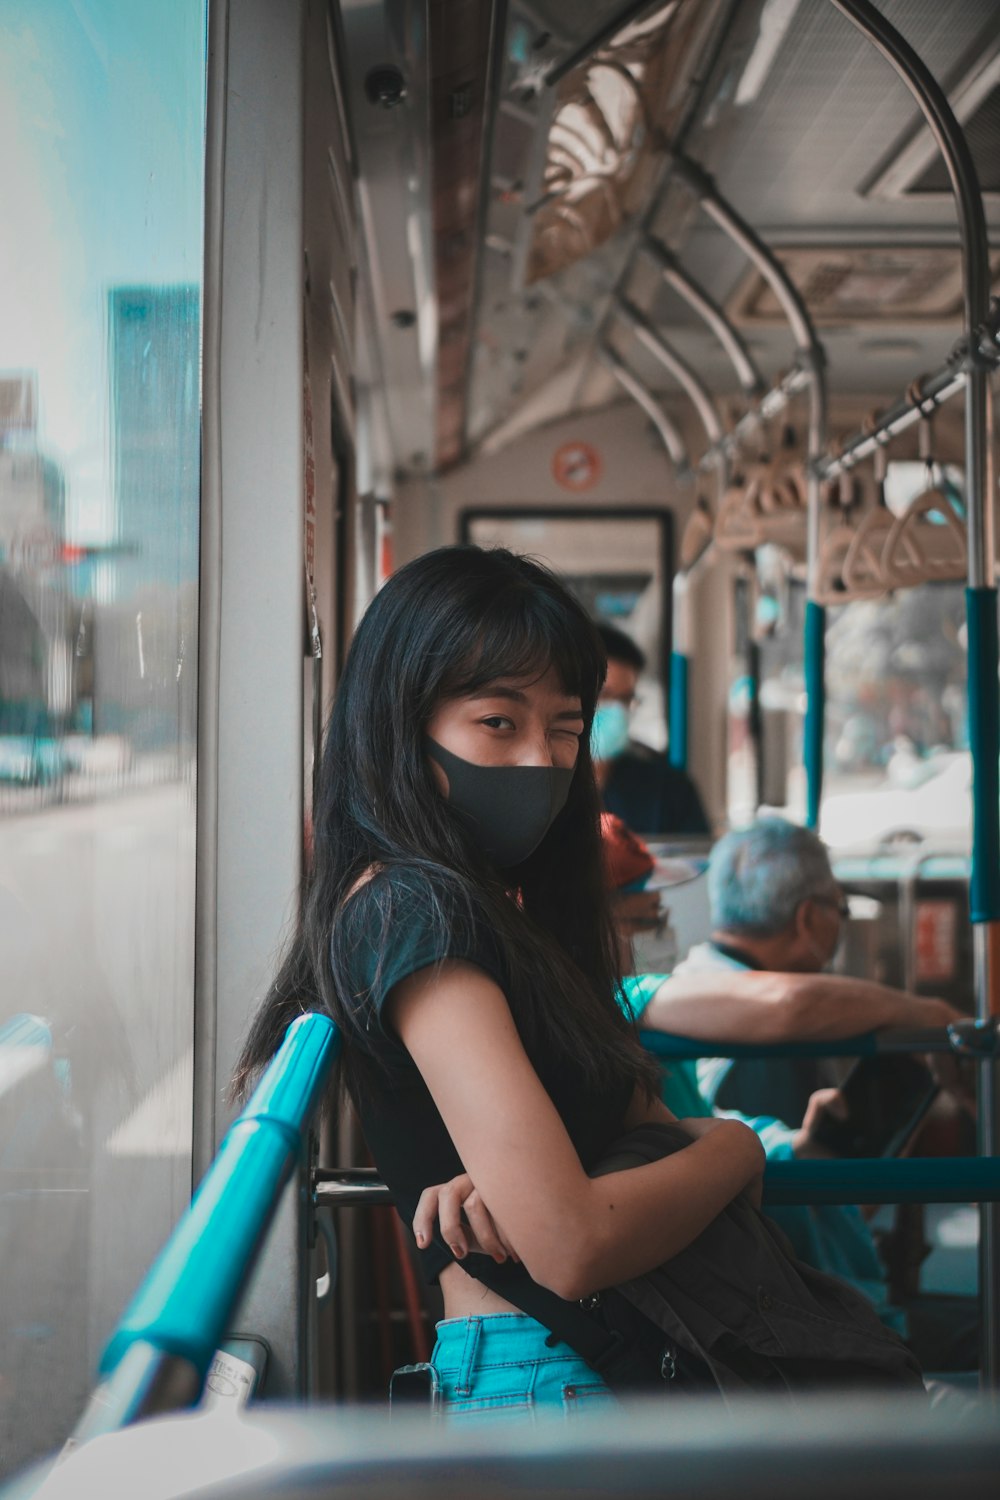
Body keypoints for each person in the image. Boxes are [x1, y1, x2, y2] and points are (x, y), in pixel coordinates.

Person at [232, 545, 766, 1419]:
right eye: (497, 723)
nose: (540, 761)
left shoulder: (502, 909)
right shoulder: (415, 913)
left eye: (565, 727)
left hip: (583, 1363)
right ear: (401, 726)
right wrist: (735, 1148)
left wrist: (597, 1167)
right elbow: (573, 1242)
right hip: (558, 1376)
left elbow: (633, 1133)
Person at [592, 622, 710, 837]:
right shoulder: (542, 792)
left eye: (625, 699)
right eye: (604, 695)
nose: (617, 710)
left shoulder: (670, 791)